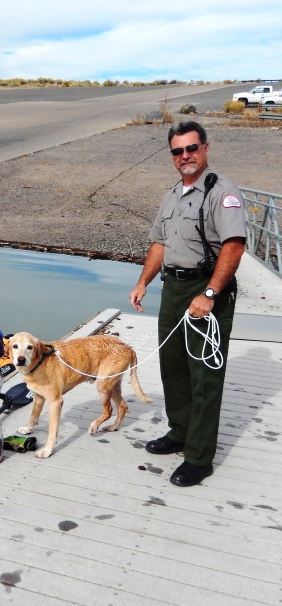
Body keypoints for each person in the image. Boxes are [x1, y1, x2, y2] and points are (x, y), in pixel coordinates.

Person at [129, 121, 246, 487]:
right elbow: (159, 244)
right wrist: (143, 281)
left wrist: (210, 294)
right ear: (172, 156)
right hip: (173, 290)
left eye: (191, 149)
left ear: (205, 148)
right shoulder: (172, 195)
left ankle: (199, 457)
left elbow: (234, 245)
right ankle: (179, 431)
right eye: (178, 151)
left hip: (206, 289)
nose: (185, 157)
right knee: (174, 368)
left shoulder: (222, 191)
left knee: (204, 376)